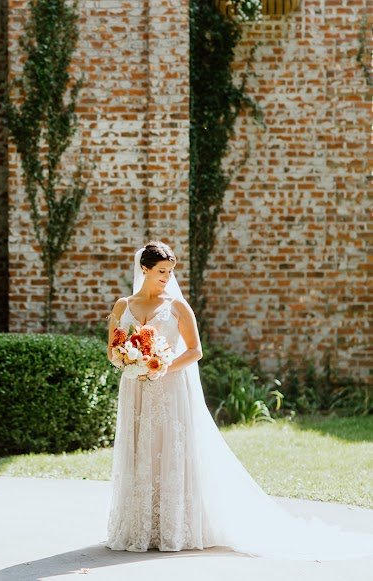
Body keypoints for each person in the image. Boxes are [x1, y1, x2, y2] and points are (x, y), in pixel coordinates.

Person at [104, 240, 373, 560]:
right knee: (139, 450)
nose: (167, 277)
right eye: (161, 271)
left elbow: (195, 350)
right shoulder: (123, 306)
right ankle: (139, 527)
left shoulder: (177, 306)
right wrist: (129, 361)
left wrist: (162, 366)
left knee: (169, 451)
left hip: (170, 388)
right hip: (135, 388)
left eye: (171, 271)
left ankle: (171, 527)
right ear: (144, 268)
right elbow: (112, 349)